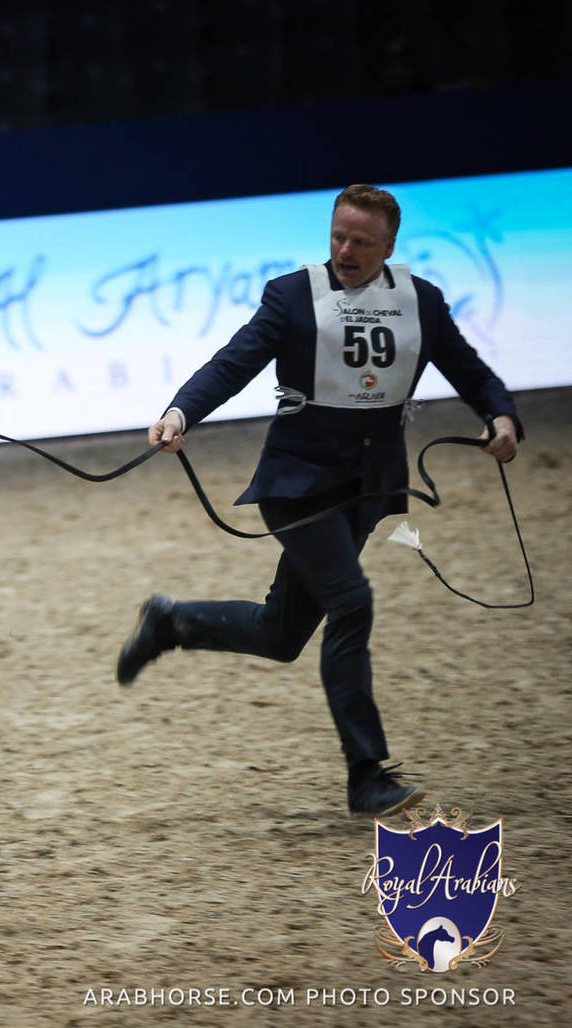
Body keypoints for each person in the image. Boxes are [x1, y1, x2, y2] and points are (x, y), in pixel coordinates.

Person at [115, 183, 522, 818]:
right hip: (296, 481)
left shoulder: (421, 301)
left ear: (390, 245)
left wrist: (501, 416)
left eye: (362, 241)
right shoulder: (292, 295)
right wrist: (180, 411)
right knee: (351, 603)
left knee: (282, 635)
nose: (346, 250)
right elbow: (234, 361)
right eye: (338, 236)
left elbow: (471, 371)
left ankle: (172, 622)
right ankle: (367, 774)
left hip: (367, 487)